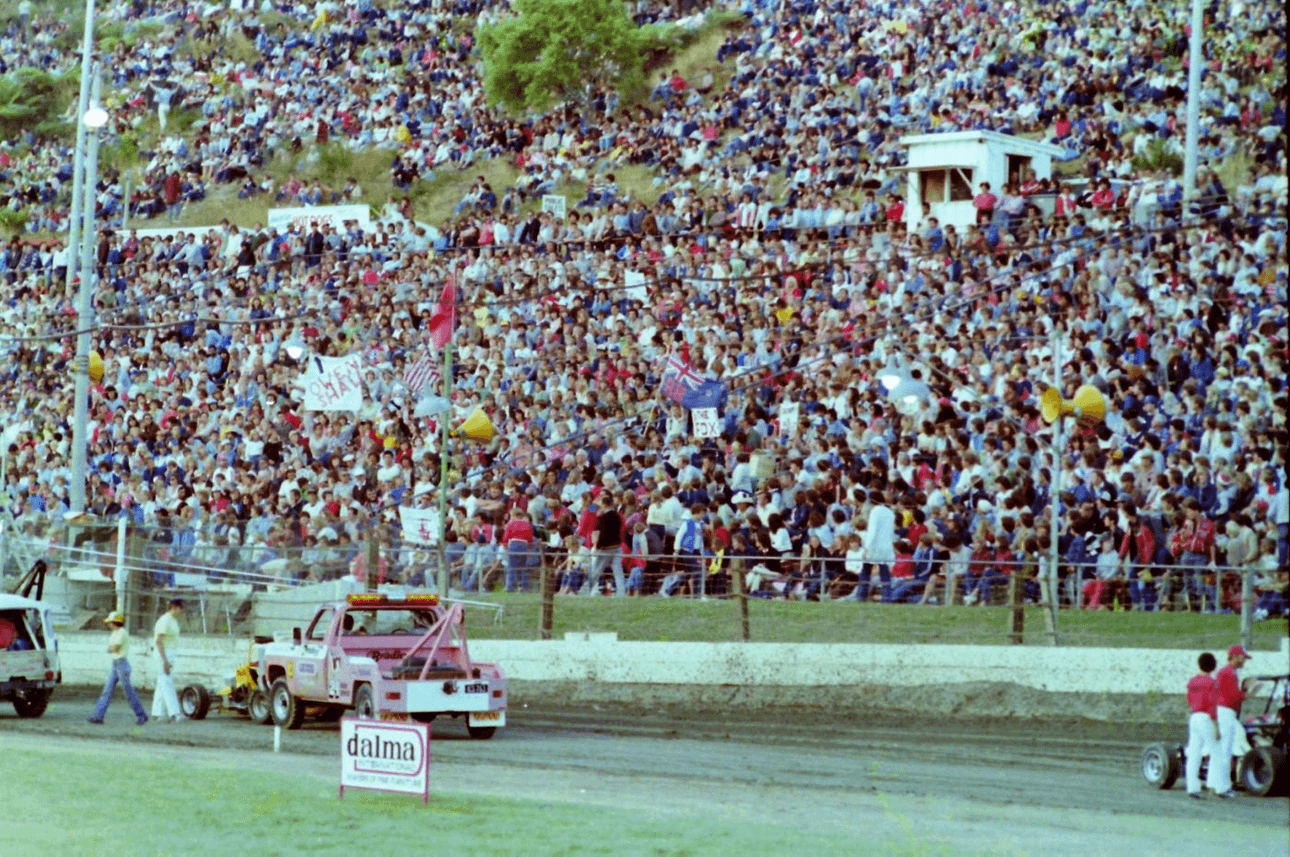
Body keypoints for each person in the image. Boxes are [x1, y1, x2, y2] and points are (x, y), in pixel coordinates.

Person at [1208, 644, 1259, 798]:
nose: (1244, 661)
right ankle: (1222, 788)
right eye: (1243, 658)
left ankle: (1213, 784)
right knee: (1226, 750)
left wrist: (1243, 691)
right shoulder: (1229, 673)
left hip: (1223, 711)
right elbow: (1235, 698)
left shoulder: (1226, 671)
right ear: (1235, 657)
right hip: (1226, 711)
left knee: (1220, 749)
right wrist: (1251, 692)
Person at [87, 610, 149, 726]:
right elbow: (113, 648)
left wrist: (110, 649)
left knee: (128, 692)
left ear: (115, 622)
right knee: (107, 691)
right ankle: (98, 716)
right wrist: (110, 648)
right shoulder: (116, 633)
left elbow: (114, 648)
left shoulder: (122, 633)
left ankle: (142, 715)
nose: (108, 624)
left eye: (110, 622)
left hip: (121, 663)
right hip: (116, 663)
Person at [1184, 652, 1218, 799]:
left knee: (1194, 754)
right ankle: (1213, 785)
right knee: (1215, 752)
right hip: (1206, 718)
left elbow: (1189, 700)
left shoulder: (1192, 681)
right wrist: (1216, 723)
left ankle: (1192, 788)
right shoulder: (1211, 682)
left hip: (1194, 717)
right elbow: (1212, 704)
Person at [151, 598, 184, 723]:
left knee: (162, 683)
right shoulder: (165, 621)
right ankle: (174, 713)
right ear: (174, 607)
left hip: (169, 652)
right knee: (167, 681)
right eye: (180, 608)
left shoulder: (173, 621)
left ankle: (157, 712)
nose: (181, 611)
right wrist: (165, 661)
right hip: (162, 652)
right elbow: (159, 642)